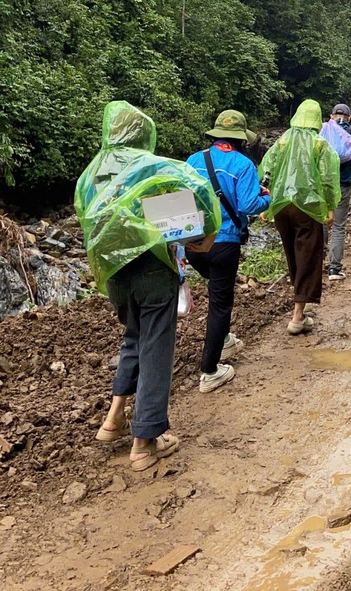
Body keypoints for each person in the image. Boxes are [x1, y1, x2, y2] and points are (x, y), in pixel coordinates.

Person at [75, 101, 221, 471]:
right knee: (156, 347)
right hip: (152, 271)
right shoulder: (152, 166)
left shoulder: (91, 175)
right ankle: (145, 441)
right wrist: (202, 231)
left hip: (115, 276)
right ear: (144, 134)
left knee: (134, 338)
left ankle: (114, 419)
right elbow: (197, 194)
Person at [186, 110, 271, 393]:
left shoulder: (193, 160)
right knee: (220, 304)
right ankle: (210, 371)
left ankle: (223, 339)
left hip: (195, 244)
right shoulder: (243, 164)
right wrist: (266, 199)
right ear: (240, 140)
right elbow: (248, 205)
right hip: (224, 244)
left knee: (216, 289)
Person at [259, 100, 340, 334]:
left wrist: (265, 205)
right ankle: (297, 315)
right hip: (307, 208)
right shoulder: (319, 144)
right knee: (308, 256)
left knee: (292, 253)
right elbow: (327, 180)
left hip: (281, 206)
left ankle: (298, 298)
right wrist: (330, 208)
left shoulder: (282, 141)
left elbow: (267, 171)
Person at [326, 103, 351, 281]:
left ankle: (316, 263)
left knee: (322, 223)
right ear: (349, 118)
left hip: (323, 186)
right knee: (338, 226)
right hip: (343, 185)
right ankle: (334, 269)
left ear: (332, 116)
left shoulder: (324, 132)